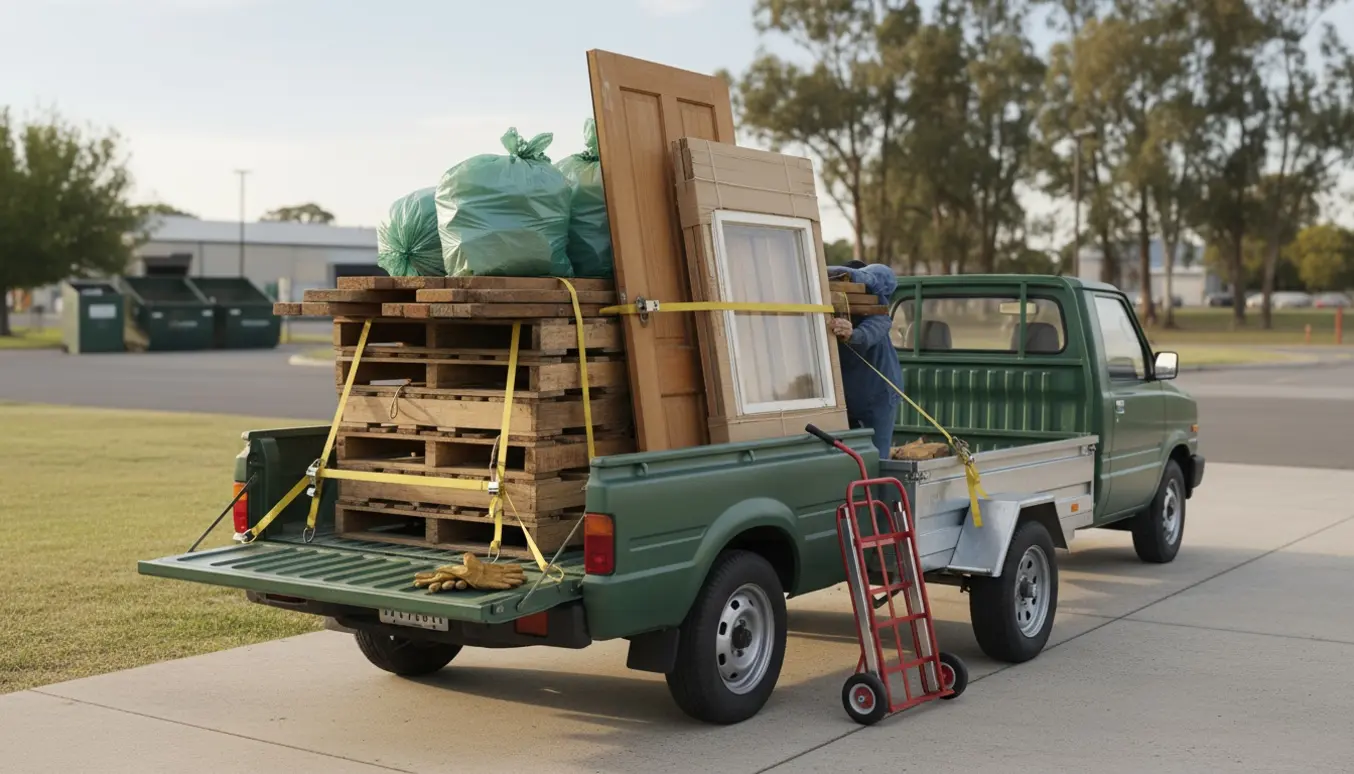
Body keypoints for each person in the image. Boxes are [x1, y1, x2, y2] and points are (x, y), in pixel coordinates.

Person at [826, 260, 903, 460]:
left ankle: (877, 491)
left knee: (877, 457)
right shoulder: (829, 312)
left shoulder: (878, 312)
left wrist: (852, 334)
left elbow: (869, 333)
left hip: (879, 394)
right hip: (845, 398)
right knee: (846, 456)